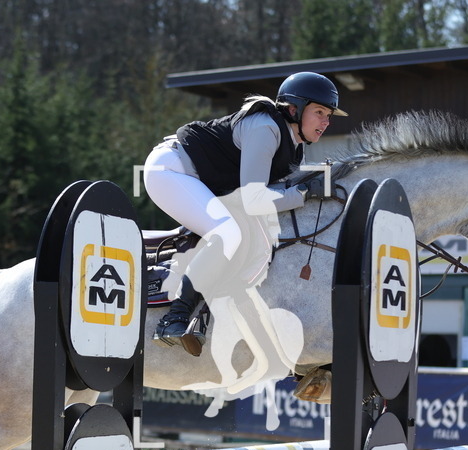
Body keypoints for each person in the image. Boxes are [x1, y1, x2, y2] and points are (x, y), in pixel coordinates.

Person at [142, 71, 347, 355]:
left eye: (329, 115)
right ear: (293, 109)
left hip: (197, 179)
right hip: (170, 169)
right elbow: (254, 200)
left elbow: (273, 193)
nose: (326, 122)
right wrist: (303, 194)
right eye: (320, 112)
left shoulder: (294, 146)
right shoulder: (266, 128)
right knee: (227, 233)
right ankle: (174, 318)